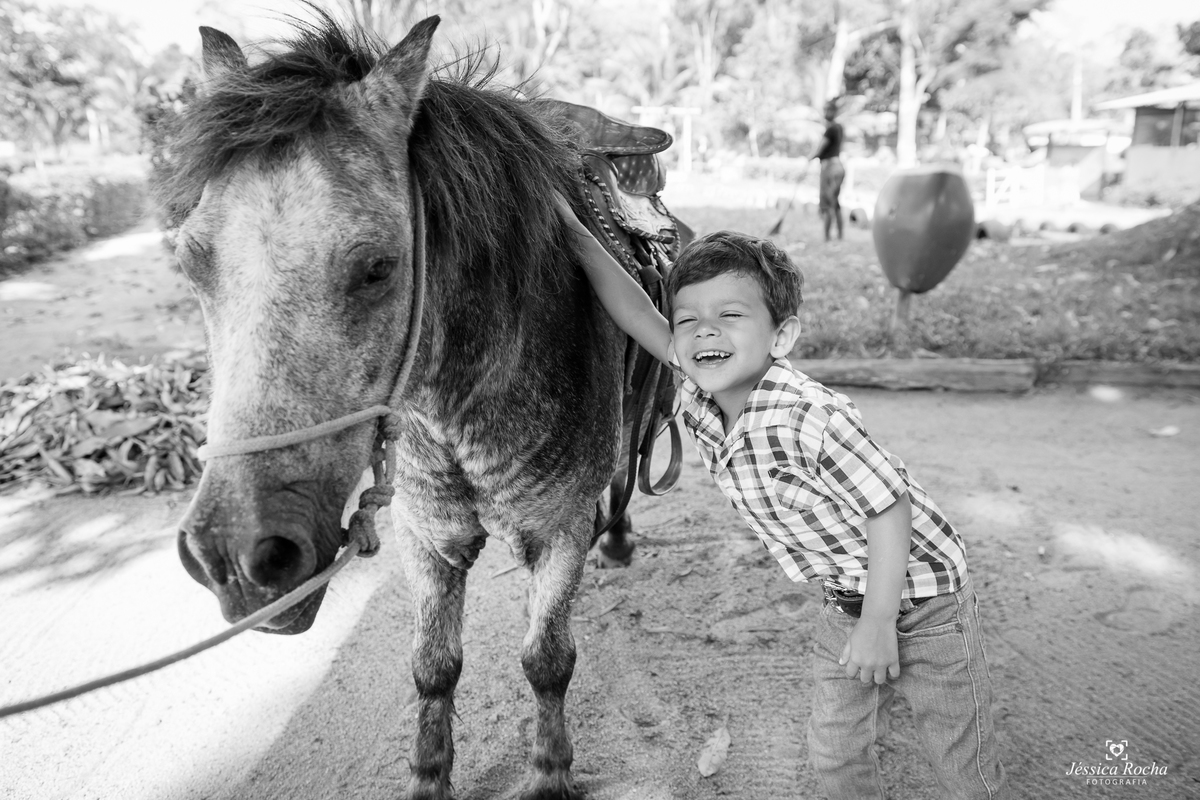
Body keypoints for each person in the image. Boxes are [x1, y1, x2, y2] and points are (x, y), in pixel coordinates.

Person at [555, 193, 1008, 799]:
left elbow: (890, 506)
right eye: (688, 319)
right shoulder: (698, 385)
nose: (704, 330)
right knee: (835, 748)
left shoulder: (807, 417)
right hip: (844, 596)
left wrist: (879, 622)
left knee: (958, 754)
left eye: (731, 316)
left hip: (925, 600)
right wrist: (573, 230)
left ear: (782, 336)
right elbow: (636, 312)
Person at [811, 100, 845, 242]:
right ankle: (840, 236)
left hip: (830, 168)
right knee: (835, 203)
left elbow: (820, 149)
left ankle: (827, 238)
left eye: (828, 110)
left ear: (834, 111)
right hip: (839, 166)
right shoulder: (839, 128)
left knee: (827, 204)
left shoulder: (831, 129)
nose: (826, 113)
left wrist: (810, 157)